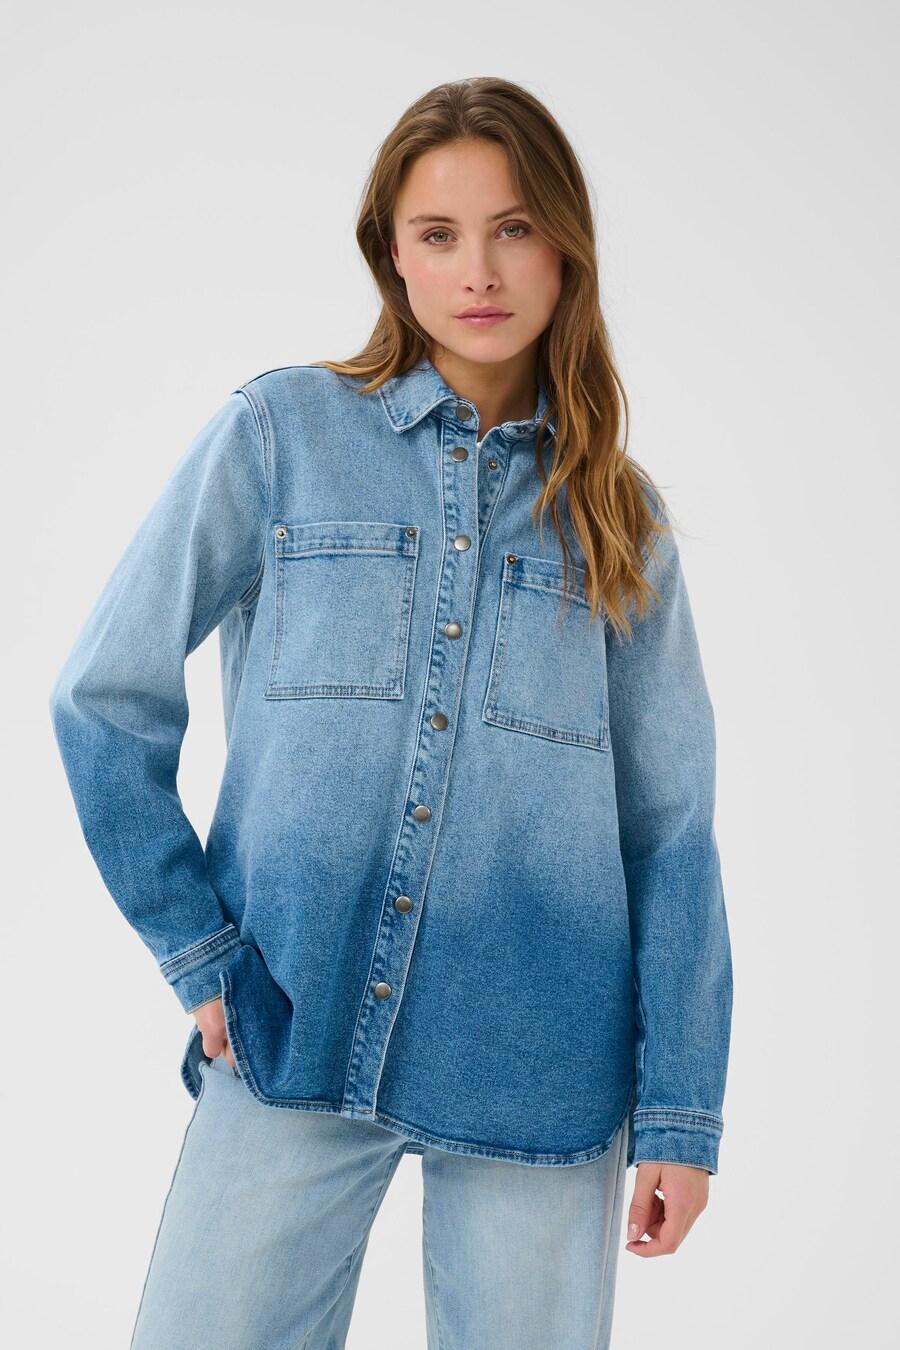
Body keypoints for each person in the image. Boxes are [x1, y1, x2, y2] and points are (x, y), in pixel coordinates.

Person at [48, 76, 733, 1350]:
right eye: (439, 233)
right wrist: (198, 951)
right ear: (392, 255)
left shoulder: (617, 518)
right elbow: (103, 696)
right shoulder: (281, 437)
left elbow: (670, 830)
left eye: (514, 228)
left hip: (540, 1057)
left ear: (566, 249)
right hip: (290, 1022)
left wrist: (681, 1115)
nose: (480, 270)